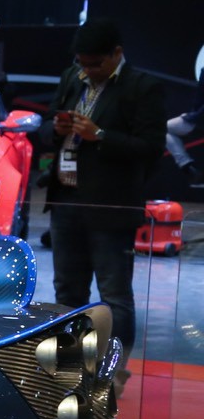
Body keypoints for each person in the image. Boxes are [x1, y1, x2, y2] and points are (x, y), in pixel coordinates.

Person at [35, 19, 165, 361]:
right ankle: (67, 364)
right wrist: (56, 128)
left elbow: (151, 148)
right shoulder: (70, 77)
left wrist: (101, 135)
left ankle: (115, 370)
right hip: (65, 201)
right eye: (83, 63)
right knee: (66, 292)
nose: (89, 70)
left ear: (117, 53)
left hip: (112, 207)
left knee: (115, 296)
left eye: (96, 64)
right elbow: (45, 127)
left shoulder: (143, 87)